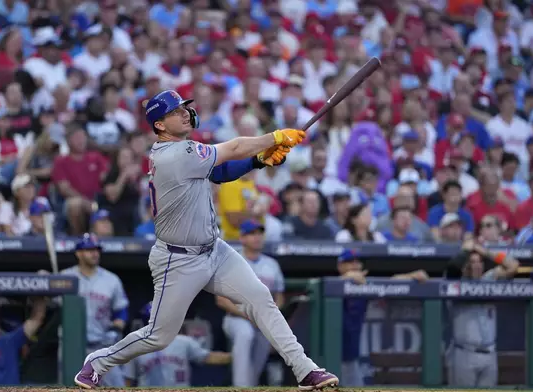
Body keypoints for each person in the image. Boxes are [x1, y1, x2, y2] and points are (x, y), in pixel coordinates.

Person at [74, 90, 338, 390]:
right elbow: (236, 147)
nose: (185, 113)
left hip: (214, 250)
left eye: (185, 108)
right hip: (178, 258)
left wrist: (259, 161)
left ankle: (306, 370)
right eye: (176, 111)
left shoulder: (186, 150)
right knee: (159, 336)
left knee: (260, 298)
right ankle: (97, 362)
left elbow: (221, 172)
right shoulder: (175, 154)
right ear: (159, 125)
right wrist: (275, 137)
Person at [336, 249, 429, 386]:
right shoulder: (331, 284)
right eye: (349, 263)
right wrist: (344, 279)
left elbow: (390, 283)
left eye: (357, 263)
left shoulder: (363, 286)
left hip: (349, 357)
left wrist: (411, 276)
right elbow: (325, 285)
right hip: (326, 356)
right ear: (340, 267)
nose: (355, 266)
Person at [216, 220, 285, 387]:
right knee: (245, 333)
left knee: (259, 356)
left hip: (262, 320)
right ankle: (241, 387)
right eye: (252, 234)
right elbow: (221, 300)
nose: (257, 237)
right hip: (237, 317)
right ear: (242, 238)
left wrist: (272, 311)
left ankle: (248, 386)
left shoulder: (272, 264)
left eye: (259, 233)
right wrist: (248, 315)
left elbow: (280, 296)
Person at [444, 239, 520, 387]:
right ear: (465, 266)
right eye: (472, 262)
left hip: (490, 354)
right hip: (464, 353)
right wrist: (465, 251)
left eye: (479, 262)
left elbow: (513, 265)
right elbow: (452, 269)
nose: (476, 266)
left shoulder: (489, 279)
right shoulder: (457, 283)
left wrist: (486, 251)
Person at [61, 234, 129, 387]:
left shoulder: (111, 280)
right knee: (69, 386)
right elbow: (48, 304)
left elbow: (121, 310)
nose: (95, 253)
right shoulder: (65, 277)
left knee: (117, 386)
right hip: (72, 347)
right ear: (78, 253)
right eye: (89, 249)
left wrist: (116, 328)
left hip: (102, 346)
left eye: (97, 250)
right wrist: (46, 280)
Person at [124, 302, 231, 387]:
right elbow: (128, 381)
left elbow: (209, 357)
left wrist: (236, 356)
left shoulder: (183, 342)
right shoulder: (135, 346)